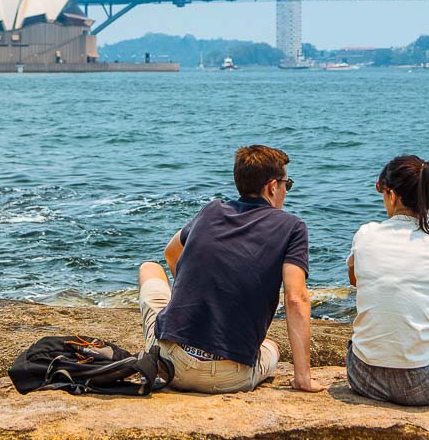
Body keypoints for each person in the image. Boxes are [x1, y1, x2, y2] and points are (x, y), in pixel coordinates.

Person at [137, 144, 326, 393]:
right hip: (227, 376)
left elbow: (171, 252)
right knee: (271, 348)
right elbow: (295, 298)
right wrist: (303, 378)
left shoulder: (212, 210)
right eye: (287, 185)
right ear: (272, 186)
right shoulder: (292, 227)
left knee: (149, 268)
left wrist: (191, 294)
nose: (286, 191)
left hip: (170, 364)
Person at [346, 154, 429, 406]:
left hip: (362, 377)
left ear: (392, 194)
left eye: (381, 190)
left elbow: (355, 279)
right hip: (423, 386)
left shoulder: (365, 233)